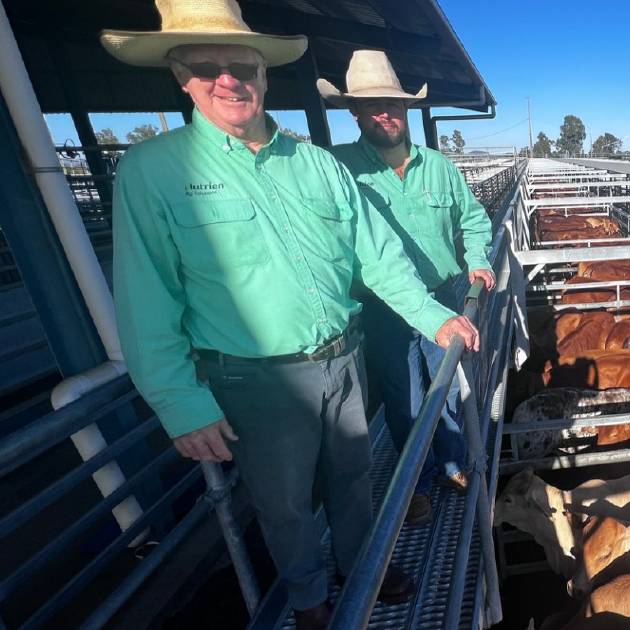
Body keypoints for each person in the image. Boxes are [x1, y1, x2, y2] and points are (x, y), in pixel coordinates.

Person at [101, 2, 478, 628]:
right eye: (206, 67)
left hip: (344, 356)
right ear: (181, 77)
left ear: (264, 73)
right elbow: (146, 297)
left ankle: (361, 569)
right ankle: (308, 600)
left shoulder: (318, 164)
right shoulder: (154, 170)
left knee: (354, 477)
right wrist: (180, 401)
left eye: (240, 64)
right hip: (256, 377)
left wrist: (433, 315)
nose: (228, 79)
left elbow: (377, 257)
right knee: (285, 503)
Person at [319, 50, 495, 523]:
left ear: (406, 109)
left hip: (443, 293)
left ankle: (454, 462)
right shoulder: (338, 170)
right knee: (404, 396)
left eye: (392, 104)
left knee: (450, 383)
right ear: (353, 112)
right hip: (382, 306)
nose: (385, 113)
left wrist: (477, 260)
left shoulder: (439, 166)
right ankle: (413, 480)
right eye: (372, 105)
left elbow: (474, 219)